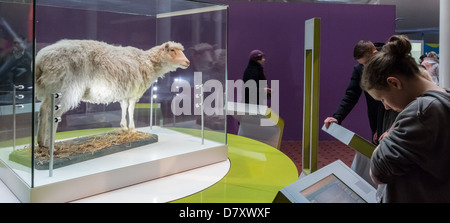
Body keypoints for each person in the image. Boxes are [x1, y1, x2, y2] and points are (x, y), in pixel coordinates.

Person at [361, 34, 450, 202]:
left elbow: (378, 172)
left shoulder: (421, 112)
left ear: (394, 83)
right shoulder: (441, 98)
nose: (386, 106)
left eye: (382, 99)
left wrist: (389, 134)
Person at [323, 40, 397, 187]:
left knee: (393, 158)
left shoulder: (391, 62)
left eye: (367, 63)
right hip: (377, 119)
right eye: (362, 64)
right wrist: (337, 117)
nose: (365, 67)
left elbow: (406, 100)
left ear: (374, 53)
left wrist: (392, 129)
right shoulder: (360, 69)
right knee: (378, 157)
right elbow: (351, 95)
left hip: (396, 117)